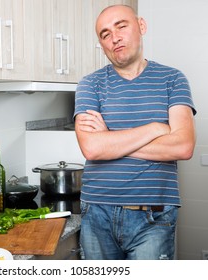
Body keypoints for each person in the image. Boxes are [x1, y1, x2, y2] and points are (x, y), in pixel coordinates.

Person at [74, 4, 196, 260]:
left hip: (153, 217)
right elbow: (93, 148)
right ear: (102, 43)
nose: (114, 37)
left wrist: (111, 137)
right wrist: (155, 129)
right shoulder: (89, 84)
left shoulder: (173, 79)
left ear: (141, 26)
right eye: (105, 34)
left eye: (121, 26)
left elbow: (183, 146)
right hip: (97, 213)